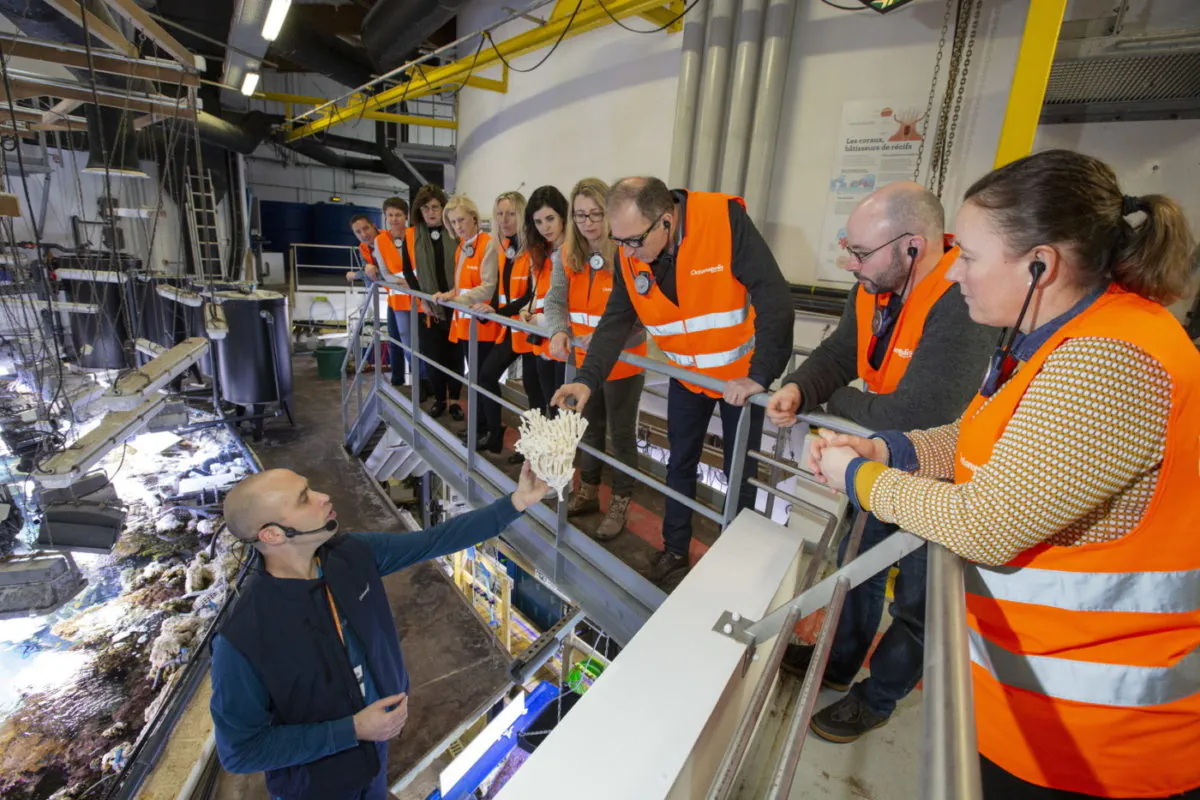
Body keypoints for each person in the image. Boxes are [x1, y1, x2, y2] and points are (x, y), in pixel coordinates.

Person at [808, 150, 1199, 800]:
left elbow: (983, 525)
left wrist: (858, 477)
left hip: (1099, 735)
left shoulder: (1110, 362)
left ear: (1040, 264)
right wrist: (894, 452)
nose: (956, 274)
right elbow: (981, 438)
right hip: (1038, 700)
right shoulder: (1059, 336)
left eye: (971, 257)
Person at [764, 182, 993, 743]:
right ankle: (838, 662)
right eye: (848, 246)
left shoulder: (961, 301)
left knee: (918, 601)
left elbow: (918, 410)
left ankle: (879, 695)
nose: (849, 262)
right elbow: (843, 351)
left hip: (939, 479)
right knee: (855, 568)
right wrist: (799, 387)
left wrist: (835, 402)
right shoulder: (873, 285)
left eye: (860, 253)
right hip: (878, 459)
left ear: (912, 247)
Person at [210, 463, 551, 800]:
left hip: (376, 749)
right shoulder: (242, 639)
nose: (323, 496)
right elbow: (241, 752)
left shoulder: (351, 555)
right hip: (316, 785)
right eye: (304, 498)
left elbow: (434, 540)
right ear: (272, 534)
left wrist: (517, 502)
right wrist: (353, 729)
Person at [552, 177, 793, 589]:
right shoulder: (632, 249)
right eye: (619, 240)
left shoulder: (723, 221)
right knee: (680, 464)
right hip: (686, 376)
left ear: (666, 220)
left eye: (632, 241)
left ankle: (735, 562)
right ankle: (675, 550)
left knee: (741, 473)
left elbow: (774, 295)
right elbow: (616, 320)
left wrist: (760, 375)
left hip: (740, 380)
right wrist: (587, 379)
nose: (625, 251)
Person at [546, 178, 648, 541]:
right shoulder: (566, 256)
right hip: (583, 366)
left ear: (610, 214)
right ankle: (588, 490)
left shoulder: (628, 255)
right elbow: (555, 300)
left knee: (621, 437)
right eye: (580, 215)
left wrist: (605, 339)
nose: (588, 222)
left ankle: (621, 500)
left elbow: (641, 315)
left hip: (624, 364)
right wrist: (558, 329)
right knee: (585, 429)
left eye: (596, 214)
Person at [474, 191, 539, 456]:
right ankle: (494, 431)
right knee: (485, 375)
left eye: (511, 213)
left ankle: (532, 450)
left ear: (522, 216)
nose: (504, 219)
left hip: (532, 330)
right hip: (511, 328)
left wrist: (498, 311)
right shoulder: (502, 249)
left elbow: (529, 295)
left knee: (536, 396)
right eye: (500, 213)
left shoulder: (534, 251)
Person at [435, 195, 502, 443]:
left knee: (483, 379)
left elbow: (488, 286)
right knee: (473, 379)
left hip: (482, 326)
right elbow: (460, 287)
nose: (458, 226)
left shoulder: (488, 245)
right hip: (464, 324)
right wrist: (447, 295)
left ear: (474, 217)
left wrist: (457, 301)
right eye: (453, 222)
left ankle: (490, 430)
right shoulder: (462, 247)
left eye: (461, 219)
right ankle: (478, 426)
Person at [397, 185, 464, 419]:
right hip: (427, 308)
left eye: (436, 207)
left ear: (443, 208)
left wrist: (458, 296)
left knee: (455, 356)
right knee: (434, 357)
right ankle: (440, 399)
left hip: (456, 305)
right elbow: (408, 271)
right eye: (426, 208)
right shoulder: (411, 235)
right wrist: (422, 300)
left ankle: (455, 400)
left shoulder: (455, 231)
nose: (431, 212)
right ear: (419, 211)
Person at [521, 186, 570, 418]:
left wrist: (542, 319)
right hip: (542, 341)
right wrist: (527, 309)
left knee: (564, 416)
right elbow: (539, 292)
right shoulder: (541, 251)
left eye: (550, 218)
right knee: (547, 407)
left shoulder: (573, 251)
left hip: (564, 342)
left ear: (563, 215)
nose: (545, 227)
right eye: (538, 222)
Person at [372, 197, 426, 390]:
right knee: (407, 343)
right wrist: (404, 282)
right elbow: (385, 273)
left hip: (422, 298)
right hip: (400, 300)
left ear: (406, 216)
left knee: (425, 345)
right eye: (390, 215)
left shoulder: (416, 234)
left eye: (398, 215)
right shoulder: (380, 240)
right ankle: (419, 383)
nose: (394, 219)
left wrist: (414, 283)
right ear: (385, 217)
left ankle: (427, 382)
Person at [346, 214, 381, 372]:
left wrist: (354, 275)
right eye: (358, 232)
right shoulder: (363, 248)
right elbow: (370, 276)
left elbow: (387, 272)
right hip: (385, 295)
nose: (363, 234)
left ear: (374, 225)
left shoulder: (388, 240)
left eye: (366, 228)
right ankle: (399, 381)